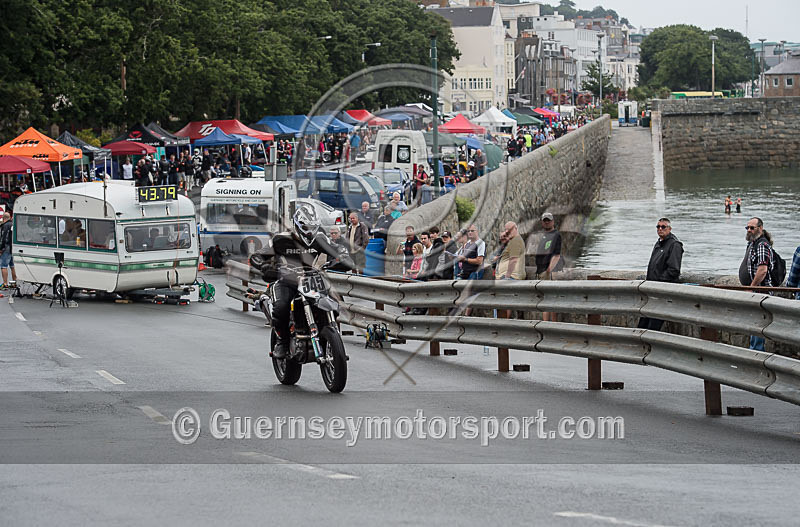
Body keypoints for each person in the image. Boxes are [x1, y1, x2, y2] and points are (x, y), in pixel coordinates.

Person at [269, 204, 349, 358]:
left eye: (312, 225)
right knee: (281, 307)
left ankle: (330, 337)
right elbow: (262, 256)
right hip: (287, 279)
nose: (309, 229)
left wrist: (343, 258)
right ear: (298, 224)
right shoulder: (281, 239)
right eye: (306, 225)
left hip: (311, 278)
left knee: (334, 300)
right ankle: (282, 342)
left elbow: (337, 248)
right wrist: (268, 266)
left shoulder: (320, 238)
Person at [637, 218, 684, 331]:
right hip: (651, 292)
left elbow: (674, 270)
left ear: (669, 229)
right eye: (658, 227)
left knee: (653, 327)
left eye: (663, 227)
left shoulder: (674, 245)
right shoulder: (658, 243)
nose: (660, 229)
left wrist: (658, 282)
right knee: (642, 326)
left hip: (662, 293)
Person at [743, 217, 774, 351]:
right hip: (756, 291)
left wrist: (752, 287)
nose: (749, 230)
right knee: (753, 324)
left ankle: (756, 353)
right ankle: (754, 351)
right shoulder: (752, 244)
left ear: (760, 228)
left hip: (761, 292)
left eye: (752, 228)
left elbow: (762, 270)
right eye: (747, 228)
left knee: (757, 324)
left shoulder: (762, 245)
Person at [534, 212, 563, 322]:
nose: (546, 222)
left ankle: (548, 325)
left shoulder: (556, 235)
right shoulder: (543, 235)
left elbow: (556, 254)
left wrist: (549, 269)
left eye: (548, 220)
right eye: (545, 220)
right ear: (542, 222)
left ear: (553, 221)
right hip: (541, 270)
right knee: (546, 299)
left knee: (547, 300)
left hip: (547, 271)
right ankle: (548, 326)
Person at [0, 212, 17, 289]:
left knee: (3, 266)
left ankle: (5, 283)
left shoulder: (5, 226)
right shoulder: (13, 224)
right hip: (13, 248)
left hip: (6, 248)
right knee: (12, 266)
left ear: (3, 218)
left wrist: (1, 248)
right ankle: (14, 282)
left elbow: (4, 238)